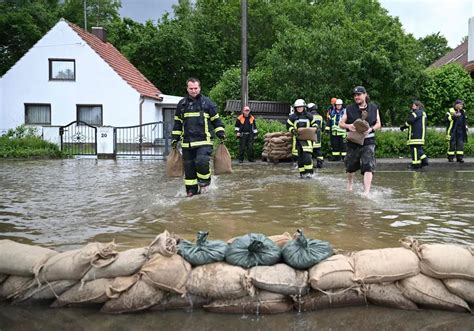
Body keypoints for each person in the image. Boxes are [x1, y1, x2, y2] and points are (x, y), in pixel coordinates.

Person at [171, 78, 225, 197]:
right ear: (187, 89)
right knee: (189, 170)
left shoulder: (207, 103)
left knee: (202, 162)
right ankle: (191, 191)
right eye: (191, 88)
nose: (194, 91)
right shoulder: (182, 104)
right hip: (187, 144)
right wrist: (174, 137)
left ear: (199, 88)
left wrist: (220, 132)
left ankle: (205, 184)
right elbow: (178, 124)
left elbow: (216, 121)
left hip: (204, 142)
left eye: (196, 88)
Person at [339, 86, 381, 195]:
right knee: (350, 166)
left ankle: (366, 191)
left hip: (368, 141)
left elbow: (378, 123)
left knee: (368, 165)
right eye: (355, 95)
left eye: (359, 95)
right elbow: (341, 124)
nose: (356, 97)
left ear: (365, 95)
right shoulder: (349, 108)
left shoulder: (373, 108)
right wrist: (349, 126)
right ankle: (350, 184)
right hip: (353, 141)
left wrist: (371, 129)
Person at [287, 99, 317, 178]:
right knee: (300, 160)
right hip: (297, 141)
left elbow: (315, 124)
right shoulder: (292, 117)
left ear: (304, 107)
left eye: (300, 107)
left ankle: (310, 174)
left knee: (307, 158)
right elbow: (289, 126)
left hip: (307, 141)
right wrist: (293, 130)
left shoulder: (309, 116)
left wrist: (315, 128)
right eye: (297, 107)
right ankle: (302, 174)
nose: (299, 108)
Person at [400, 100, 428, 170]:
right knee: (418, 148)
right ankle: (424, 160)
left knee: (414, 149)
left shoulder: (416, 113)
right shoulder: (423, 113)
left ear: (417, 106)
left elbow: (410, 121)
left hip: (415, 134)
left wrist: (403, 127)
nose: (412, 107)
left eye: (413, 106)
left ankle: (416, 165)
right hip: (421, 134)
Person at [308, 102, 324, 168]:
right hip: (318, 135)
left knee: (309, 149)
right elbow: (323, 126)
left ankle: (309, 163)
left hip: (311, 134)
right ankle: (320, 163)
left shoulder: (309, 116)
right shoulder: (320, 116)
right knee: (318, 150)